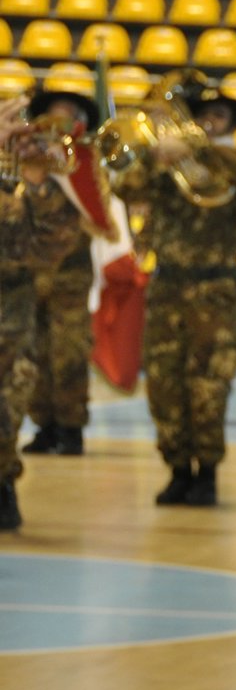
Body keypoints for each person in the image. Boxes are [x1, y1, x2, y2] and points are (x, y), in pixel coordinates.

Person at [110, 71, 236, 507]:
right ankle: (177, 469)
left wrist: (197, 146)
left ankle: (207, 474)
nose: (211, 123)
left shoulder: (235, 165)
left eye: (219, 117)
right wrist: (153, 156)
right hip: (168, 289)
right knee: (164, 385)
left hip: (215, 290)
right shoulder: (170, 167)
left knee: (209, 388)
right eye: (204, 117)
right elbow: (125, 187)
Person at [0, 95, 94, 531]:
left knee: (7, 406)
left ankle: (3, 483)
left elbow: (51, 246)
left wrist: (38, 180)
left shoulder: (20, 190)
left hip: (9, 322)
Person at [20, 89, 99, 457]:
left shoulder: (84, 162)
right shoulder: (27, 157)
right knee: (33, 350)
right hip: (31, 270)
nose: (61, 121)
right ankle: (44, 425)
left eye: (70, 114)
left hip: (71, 271)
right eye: (56, 114)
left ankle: (71, 427)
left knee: (68, 351)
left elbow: (97, 212)